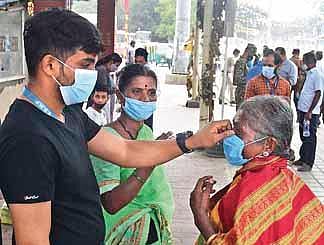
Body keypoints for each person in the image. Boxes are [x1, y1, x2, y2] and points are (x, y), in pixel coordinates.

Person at [0, 9, 233, 245]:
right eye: (85, 64)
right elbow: (33, 240)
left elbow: (125, 150)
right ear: (50, 65)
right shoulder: (27, 138)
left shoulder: (68, 113)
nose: (92, 74)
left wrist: (192, 141)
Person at [190, 96, 324, 245]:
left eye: (239, 134)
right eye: (232, 130)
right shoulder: (281, 175)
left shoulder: (259, 185)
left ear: (268, 144)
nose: (229, 137)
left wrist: (201, 218)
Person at [91, 64, 174, 244]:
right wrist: (153, 157)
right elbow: (111, 203)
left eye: (151, 93)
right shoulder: (105, 139)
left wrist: (155, 148)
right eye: (137, 92)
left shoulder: (146, 132)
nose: (145, 99)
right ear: (120, 97)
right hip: (123, 229)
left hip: (151, 224)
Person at [293, 52, 324, 172]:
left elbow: (318, 93)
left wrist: (310, 111)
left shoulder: (317, 74)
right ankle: (303, 157)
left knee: (310, 137)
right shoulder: (309, 74)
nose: (302, 63)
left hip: (310, 113)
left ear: (308, 61)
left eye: (303, 61)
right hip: (303, 110)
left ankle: (308, 163)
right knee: (303, 135)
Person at [95, 53, 122, 123]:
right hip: (103, 101)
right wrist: (114, 90)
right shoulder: (102, 70)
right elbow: (103, 87)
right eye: (116, 65)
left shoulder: (106, 71)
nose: (116, 68)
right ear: (111, 62)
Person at [135, 47, 155, 130]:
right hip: (136, 106)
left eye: (140, 62)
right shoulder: (134, 71)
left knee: (146, 128)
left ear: (145, 61)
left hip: (147, 105)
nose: (138, 64)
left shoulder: (150, 73)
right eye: (136, 62)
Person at [233, 43, 257, 111]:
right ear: (248, 51)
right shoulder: (241, 62)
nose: (252, 56)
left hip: (245, 92)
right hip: (241, 92)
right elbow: (238, 79)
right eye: (253, 53)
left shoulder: (246, 63)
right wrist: (251, 80)